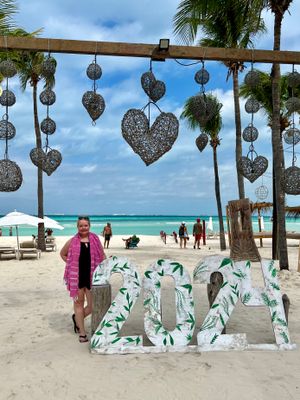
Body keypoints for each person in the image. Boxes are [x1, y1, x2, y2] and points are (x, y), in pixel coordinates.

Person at [60, 216, 106, 343]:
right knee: (79, 304)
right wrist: (70, 265)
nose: (83, 228)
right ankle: (82, 332)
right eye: (81, 225)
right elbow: (63, 254)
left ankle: (77, 319)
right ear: (77, 227)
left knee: (92, 306)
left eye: (86, 225)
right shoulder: (72, 241)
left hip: (92, 277)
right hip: (77, 278)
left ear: (89, 226)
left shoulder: (95, 239)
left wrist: (106, 267)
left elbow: (102, 255)